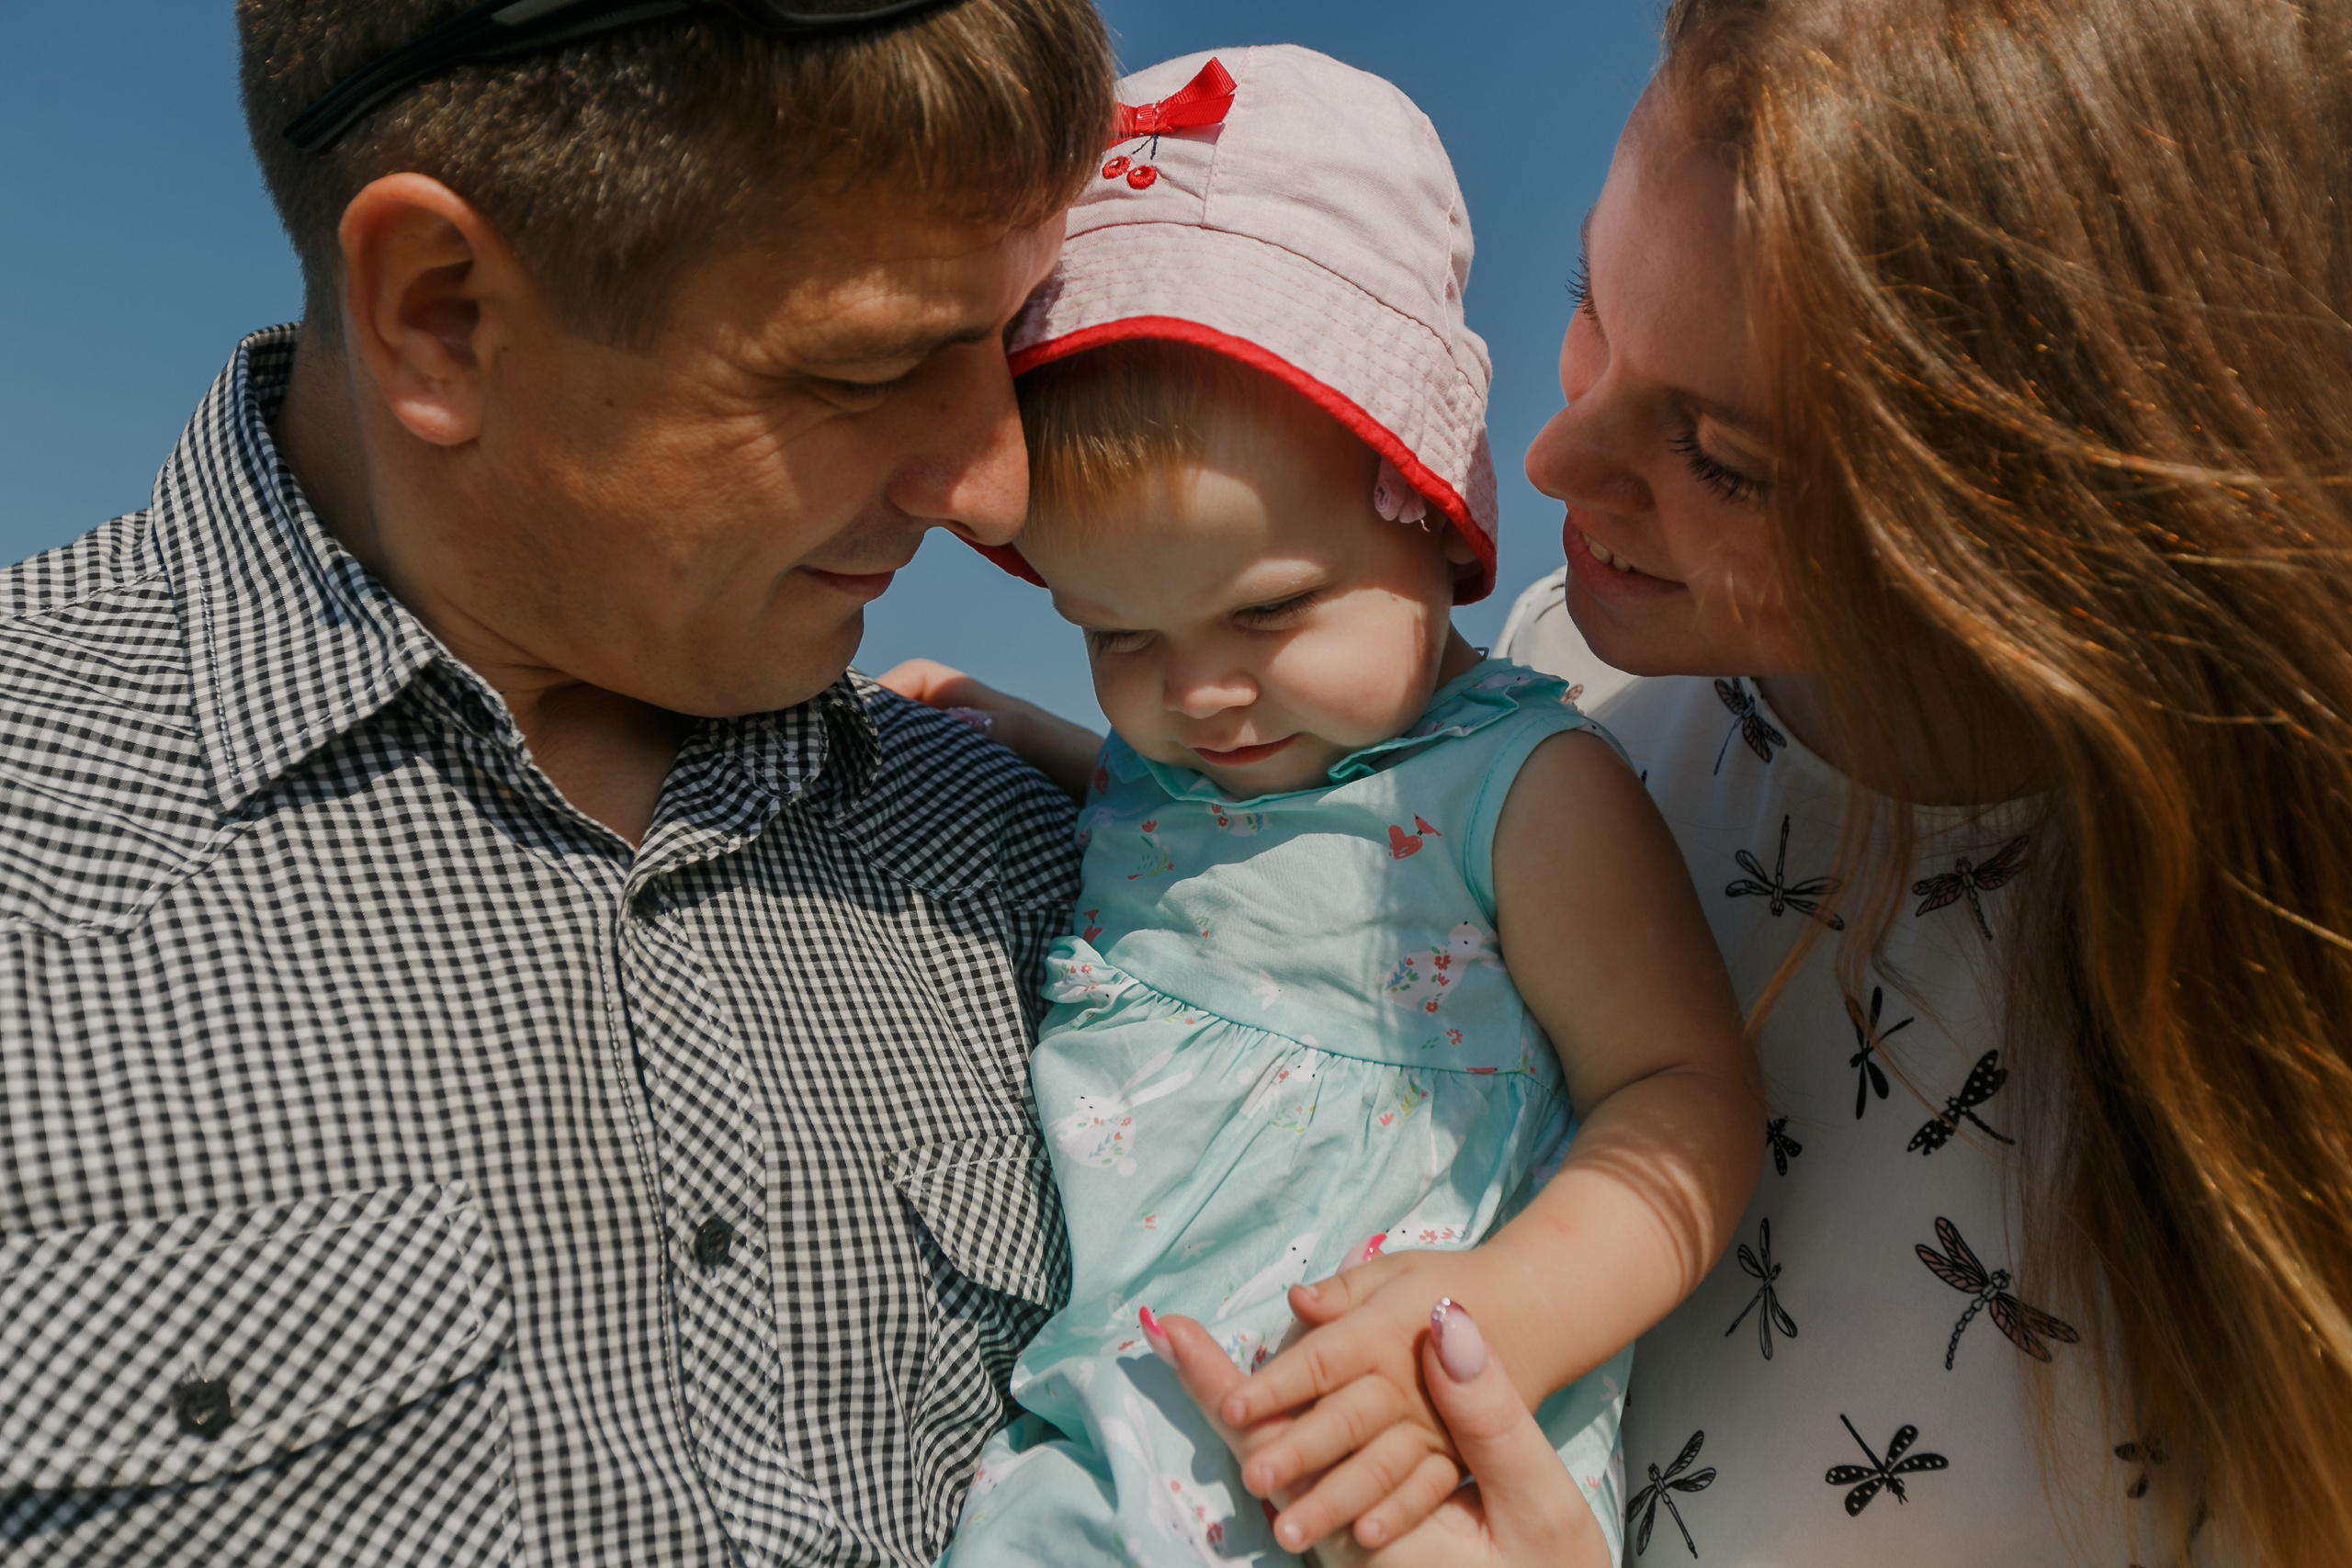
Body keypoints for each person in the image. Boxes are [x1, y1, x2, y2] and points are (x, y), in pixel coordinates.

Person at [1167, 1, 2352, 1564]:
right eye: (1591, 305)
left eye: (1722, 458)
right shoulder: (1561, 684)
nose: (1553, 458)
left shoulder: (2281, 997)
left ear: (2048, 519)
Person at [0, 4, 1115, 1565]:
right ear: (440, 315)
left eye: (1011, 339)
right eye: (869, 364)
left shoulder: (1050, 858)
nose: (999, 488)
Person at [889, 46, 1760, 1568]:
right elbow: (1216, 850)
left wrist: (1507, 1313)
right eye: (1119, 635)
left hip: (1405, 1475)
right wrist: (1024, 731)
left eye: (1268, 610)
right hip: (1096, 1456)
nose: (1200, 696)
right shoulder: (1194, 768)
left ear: (1424, 508)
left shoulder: (1525, 789)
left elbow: (1681, 1092)